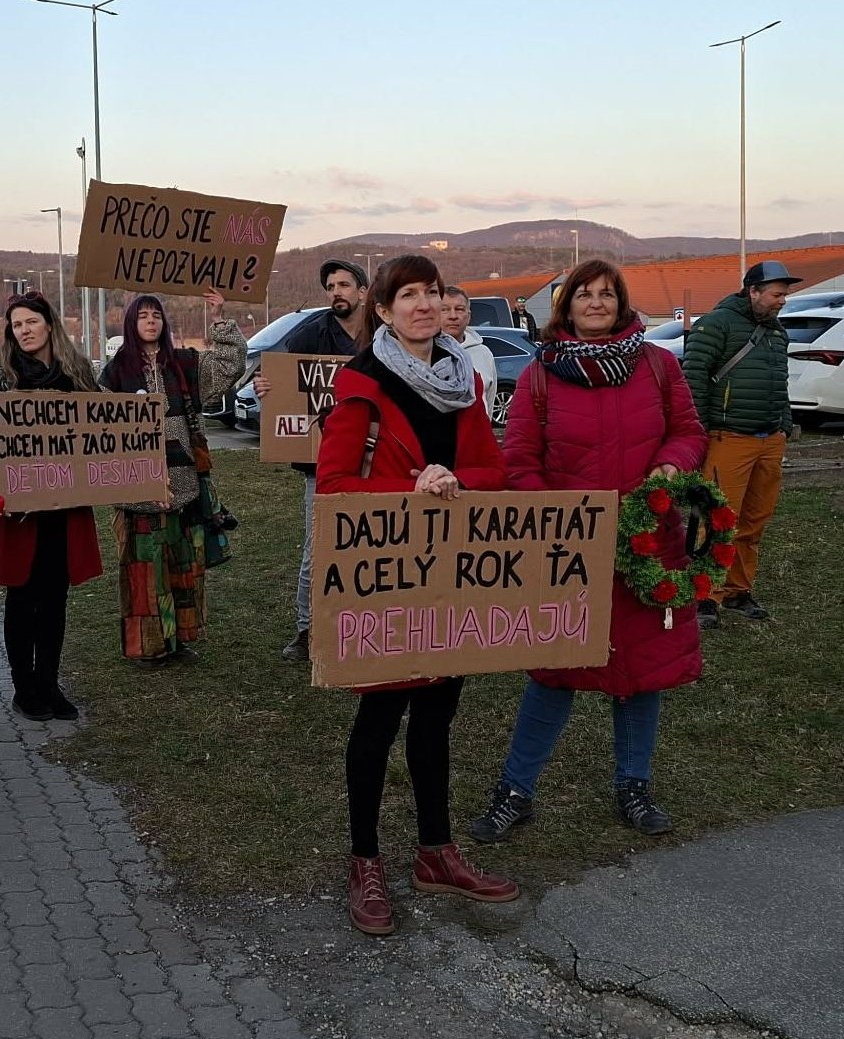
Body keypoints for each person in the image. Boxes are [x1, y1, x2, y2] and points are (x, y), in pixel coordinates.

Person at [468, 260, 708, 844]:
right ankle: (515, 791)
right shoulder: (540, 376)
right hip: (570, 551)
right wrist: (556, 522)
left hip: (648, 541)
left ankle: (634, 786)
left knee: (640, 672)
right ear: (566, 305)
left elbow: (689, 431)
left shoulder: (658, 365)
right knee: (554, 672)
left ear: (621, 302)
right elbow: (520, 461)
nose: (595, 302)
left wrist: (668, 469)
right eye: (584, 294)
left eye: (606, 294)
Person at [315, 254, 518, 936]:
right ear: (382, 309)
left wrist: (454, 479)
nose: (424, 304)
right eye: (408, 294)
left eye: (431, 292)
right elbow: (335, 485)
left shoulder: (462, 382)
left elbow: (494, 469)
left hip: (447, 578)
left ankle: (436, 850)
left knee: (435, 717)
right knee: (377, 722)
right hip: (386, 579)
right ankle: (364, 861)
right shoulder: (361, 385)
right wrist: (409, 490)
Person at [98, 290, 246, 665]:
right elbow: (100, 433)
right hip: (137, 491)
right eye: (142, 316)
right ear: (131, 324)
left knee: (184, 569)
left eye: (156, 315)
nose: (150, 321)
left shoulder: (184, 364)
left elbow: (230, 366)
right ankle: (149, 646)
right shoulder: (115, 373)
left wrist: (219, 317)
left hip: (184, 485)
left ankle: (179, 639)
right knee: (145, 573)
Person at [0, 292, 104, 721]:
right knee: (23, 596)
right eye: (16, 325)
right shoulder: (3, 378)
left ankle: (50, 684)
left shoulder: (78, 375)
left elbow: (101, 431)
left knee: (54, 598)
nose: (24, 331)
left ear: (49, 323)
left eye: (31, 322)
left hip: (64, 503)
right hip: (19, 504)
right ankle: (24, 688)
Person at [252, 259, 370, 662]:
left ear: (363, 291)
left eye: (344, 284)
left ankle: (358, 624)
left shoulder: (380, 334)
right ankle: (307, 630)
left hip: (373, 458)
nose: (336, 291)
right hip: (320, 462)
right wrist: (265, 383)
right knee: (317, 546)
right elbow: (281, 368)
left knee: (366, 544)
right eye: (330, 286)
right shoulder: (313, 330)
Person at [680, 260, 798, 629]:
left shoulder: (777, 333)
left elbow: (780, 383)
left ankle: (737, 590)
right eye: (777, 294)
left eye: (784, 295)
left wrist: (784, 424)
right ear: (753, 291)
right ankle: (705, 597)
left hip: (769, 440)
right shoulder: (717, 325)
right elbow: (693, 377)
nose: (782, 301)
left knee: (753, 521)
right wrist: (698, 431)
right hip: (728, 438)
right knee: (717, 520)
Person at [438, 285, 499, 405]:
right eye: (444, 309)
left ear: (469, 316)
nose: (453, 316)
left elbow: (489, 401)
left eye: (459, 309)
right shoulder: (425, 352)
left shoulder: (484, 353)